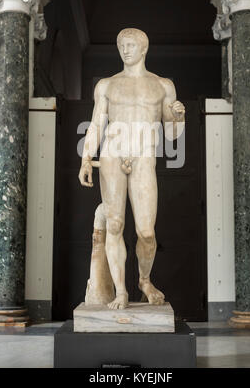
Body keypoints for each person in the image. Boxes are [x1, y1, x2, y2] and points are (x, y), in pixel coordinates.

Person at [79, 28, 185, 310]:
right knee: (114, 225)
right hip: (112, 156)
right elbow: (97, 125)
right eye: (121, 45)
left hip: (143, 158)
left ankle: (144, 280)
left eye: (131, 45)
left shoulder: (162, 85)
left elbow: (173, 135)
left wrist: (178, 116)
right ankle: (121, 292)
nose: (125, 50)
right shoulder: (106, 85)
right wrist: (86, 157)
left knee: (146, 231)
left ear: (144, 49)